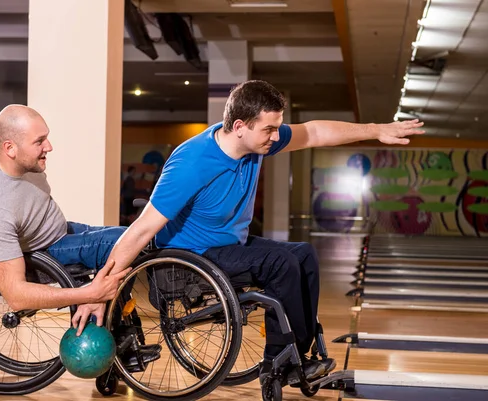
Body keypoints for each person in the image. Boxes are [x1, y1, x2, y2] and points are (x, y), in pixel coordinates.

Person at [76, 80, 424, 384]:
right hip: (189, 259)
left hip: (227, 246)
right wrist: (96, 291)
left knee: (302, 255)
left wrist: (377, 129)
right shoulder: (192, 162)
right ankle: (278, 362)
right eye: (269, 130)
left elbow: (315, 132)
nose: (276, 138)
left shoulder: (258, 142)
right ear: (240, 125)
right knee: (278, 263)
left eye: (277, 129)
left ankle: (297, 353)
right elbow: (141, 230)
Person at [0, 104, 133, 335]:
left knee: (131, 239)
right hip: (44, 249)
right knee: (120, 244)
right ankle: (101, 338)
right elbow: (16, 296)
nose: (49, 147)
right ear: (9, 148)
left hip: (57, 228)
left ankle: (111, 316)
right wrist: (90, 294)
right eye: (39, 141)